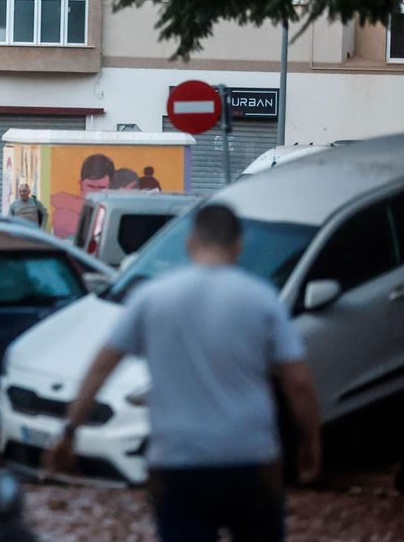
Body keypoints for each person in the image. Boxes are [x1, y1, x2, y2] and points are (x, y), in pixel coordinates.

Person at [44, 204, 321, 542]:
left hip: (177, 459)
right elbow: (298, 381)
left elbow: (102, 366)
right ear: (239, 246)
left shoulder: (152, 298)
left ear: (190, 243)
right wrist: (310, 441)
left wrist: (70, 430)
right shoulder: (262, 300)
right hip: (250, 456)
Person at [51, 153, 116, 238]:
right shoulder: (64, 213)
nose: (96, 192)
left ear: (110, 186)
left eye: (102, 187)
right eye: (91, 186)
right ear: (81, 184)